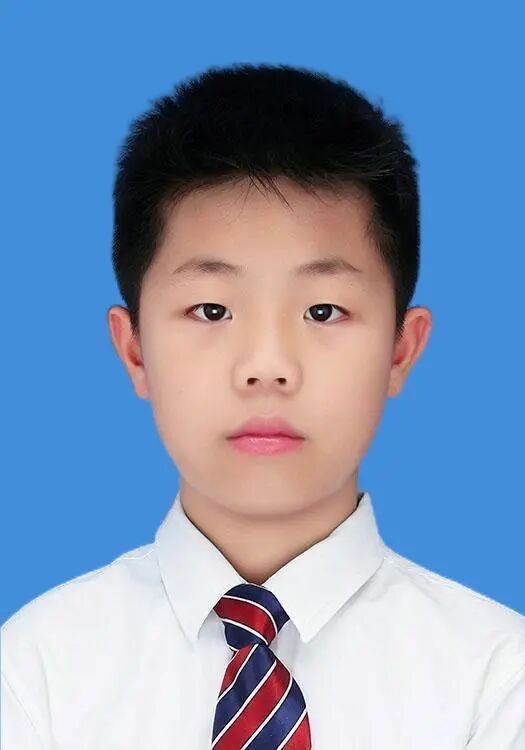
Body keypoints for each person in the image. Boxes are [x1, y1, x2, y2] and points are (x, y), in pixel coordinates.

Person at [2, 62, 523, 749]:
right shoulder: (35, 672)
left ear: (401, 349)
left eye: (323, 310)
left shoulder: (496, 679)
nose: (267, 367)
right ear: (134, 351)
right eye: (212, 310)